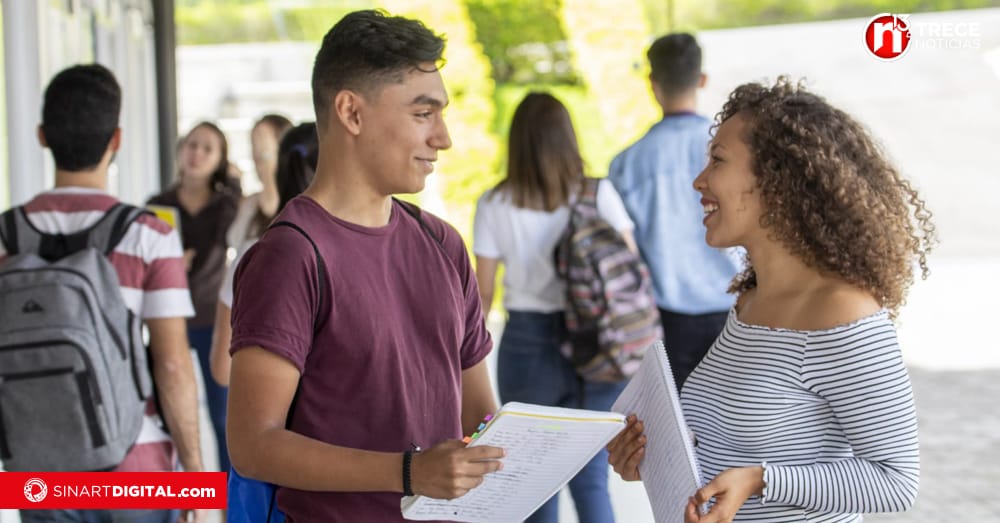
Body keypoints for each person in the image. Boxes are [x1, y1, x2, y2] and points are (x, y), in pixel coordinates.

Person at [607, 78, 934, 522]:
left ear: (776, 182)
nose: (699, 180)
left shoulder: (843, 312)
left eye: (717, 161)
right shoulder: (750, 301)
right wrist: (648, 462)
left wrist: (761, 479)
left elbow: (896, 480)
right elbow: (735, 447)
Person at [227, 10, 505, 522]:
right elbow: (253, 443)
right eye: (423, 114)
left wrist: (529, 442)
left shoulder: (442, 243)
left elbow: (479, 412)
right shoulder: (290, 254)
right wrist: (407, 471)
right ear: (351, 113)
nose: (443, 137)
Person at [8, 64, 204, 523]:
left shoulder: (5, 236)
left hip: (40, 467)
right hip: (135, 466)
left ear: (42, 136)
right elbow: (172, 364)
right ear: (116, 140)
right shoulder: (149, 236)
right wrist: (194, 472)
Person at [472, 92, 635, 523]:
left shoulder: (494, 203)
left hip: (526, 347)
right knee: (592, 476)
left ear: (518, 143)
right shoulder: (598, 194)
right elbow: (628, 271)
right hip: (596, 343)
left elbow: (482, 296)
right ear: (568, 138)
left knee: (533, 479)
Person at [608, 33, 740, 389]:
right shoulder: (733, 150)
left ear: (652, 83)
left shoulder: (626, 164)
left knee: (681, 426)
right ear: (701, 80)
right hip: (737, 308)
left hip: (668, 318)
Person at [148, 121, 240, 475]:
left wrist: (229, 177)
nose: (197, 153)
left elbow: (243, 202)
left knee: (222, 417)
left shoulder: (227, 206)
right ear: (180, 150)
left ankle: (228, 505)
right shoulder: (157, 205)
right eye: (192, 144)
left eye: (208, 148)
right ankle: (179, 501)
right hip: (165, 320)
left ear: (219, 159)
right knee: (169, 417)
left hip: (211, 322)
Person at [210, 122, 319, 386]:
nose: (259, 162)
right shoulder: (373, 251)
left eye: (265, 152)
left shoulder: (257, 254)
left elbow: (223, 368)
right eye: (254, 151)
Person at [226, 113, 293, 249]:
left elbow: (270, 206)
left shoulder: (293, 200)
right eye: (253, 145)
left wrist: (266, 160)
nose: (256, 156)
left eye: (263, 147)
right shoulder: (251, 201)